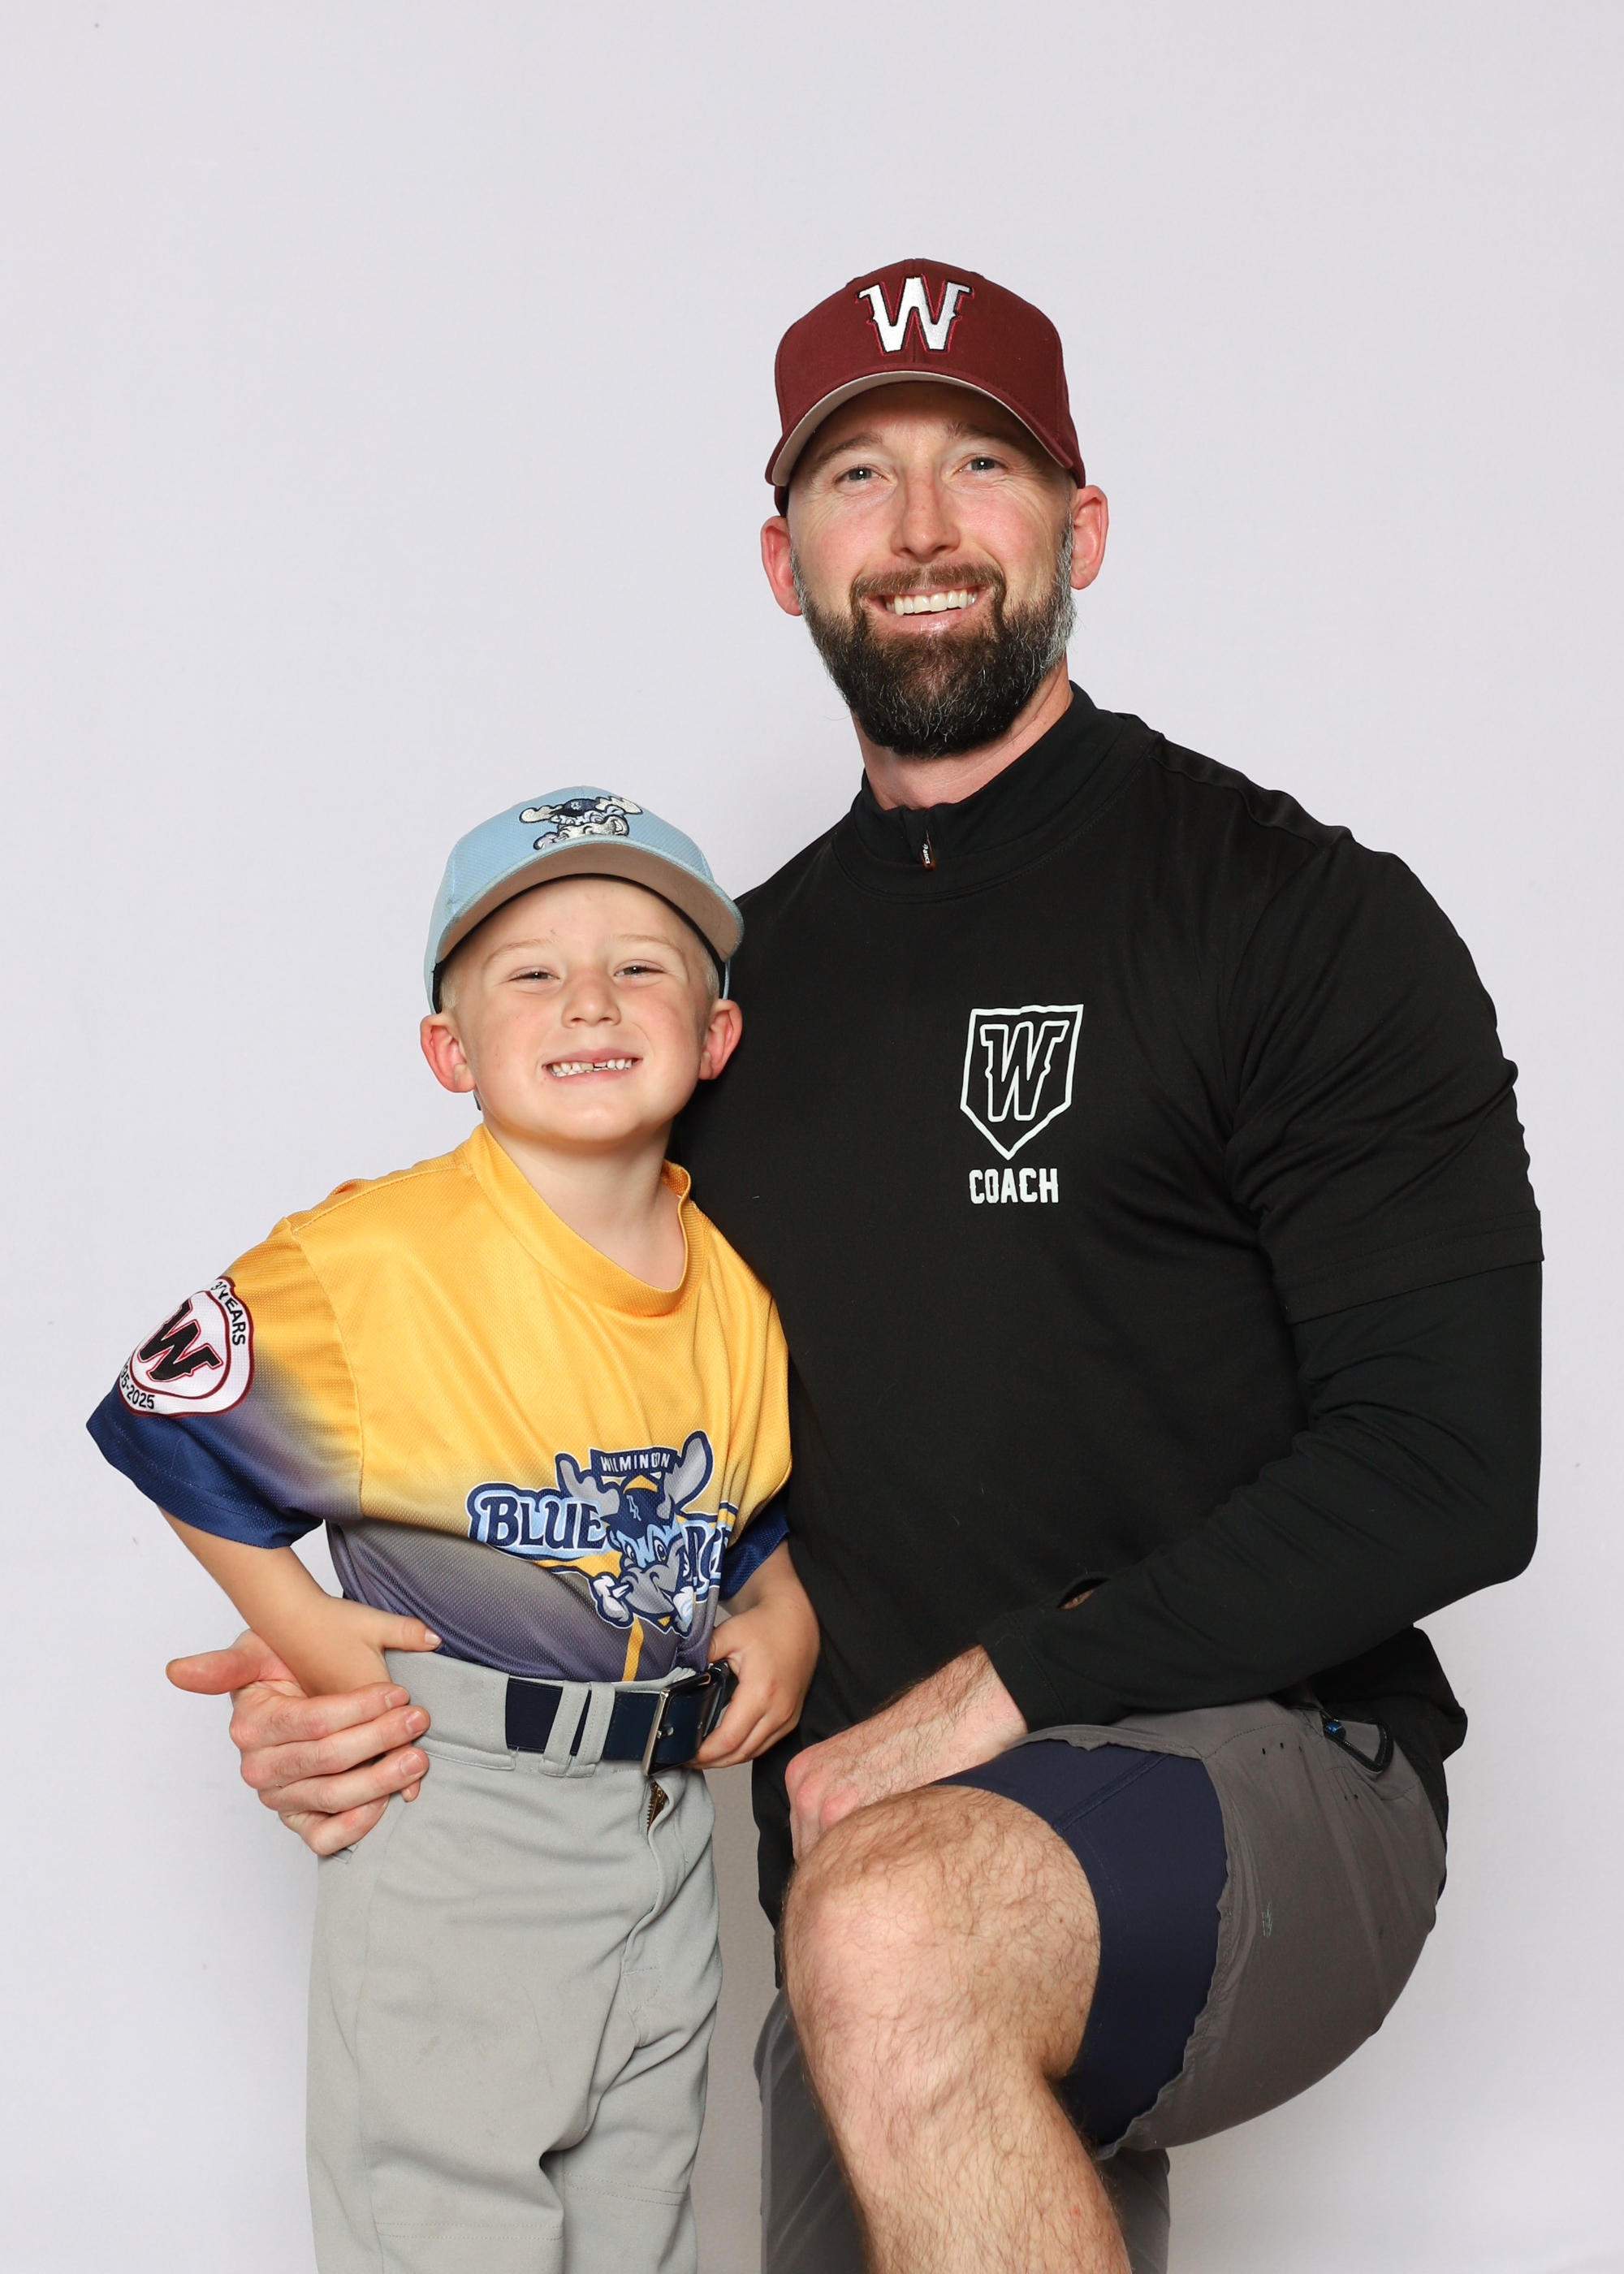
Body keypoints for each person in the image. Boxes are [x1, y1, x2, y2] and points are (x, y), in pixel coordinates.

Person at [188, 262, 1541, 2274]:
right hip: (860, 1845)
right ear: (784, 558)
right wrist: (369, 1684)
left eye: (979, 465)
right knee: (886, 1966)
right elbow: (577, 1419)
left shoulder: (1296, 917)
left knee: (901, 1930)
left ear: (1080, 528)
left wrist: (1000, 1687)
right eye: (855, 478)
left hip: (1273, 1764)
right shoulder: (716, 1012)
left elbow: (1451, 1473)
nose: (918, 527)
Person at [92, 791, 820, 2274]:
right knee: (447, 2229)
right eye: (530, 974)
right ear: (450, 1051)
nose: (590, 1000)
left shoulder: (734, 1291)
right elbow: (160, 1412)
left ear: (716, 1035)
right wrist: (302, 1626)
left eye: (640, 966)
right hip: (460, 1809)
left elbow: (743, 1522)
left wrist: (786, 1606)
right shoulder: (378, 1259)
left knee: (639, 2232)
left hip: (663, 1819)